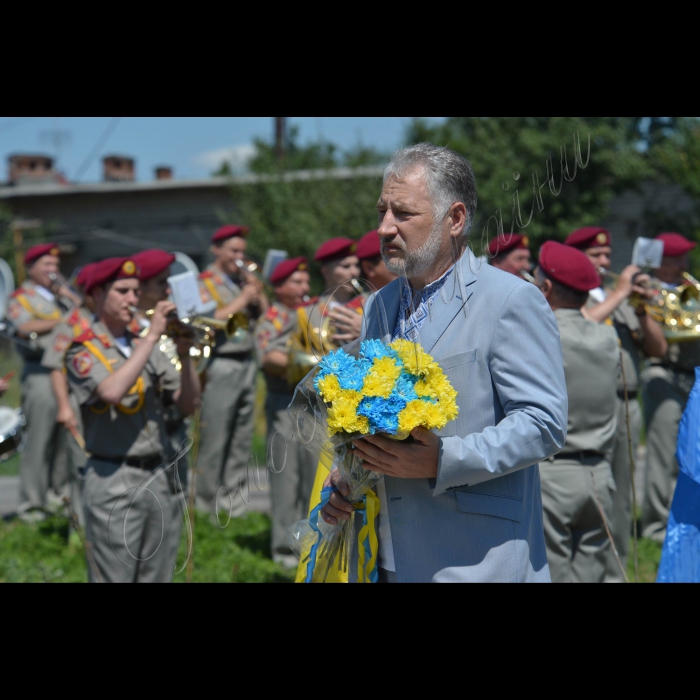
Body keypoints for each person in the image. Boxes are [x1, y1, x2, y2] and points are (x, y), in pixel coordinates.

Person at [321, 143, 568, 583]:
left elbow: (543, 423)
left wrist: (444, 460)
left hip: (477, 558)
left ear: (454, 219)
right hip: (388, 556)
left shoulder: (509, 299)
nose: (384, 228)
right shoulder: (379, 305)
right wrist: (350, 477)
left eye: (403, 214)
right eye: (382, 211)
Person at [64, 257, 201, 583]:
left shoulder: (143, 343)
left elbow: (188, 404)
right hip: (113, 476)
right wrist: (151, 338)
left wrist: (185, 354)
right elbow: (111, 391)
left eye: (136, 291)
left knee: (158, 575)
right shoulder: (82, 347)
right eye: (122, 291)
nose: (132, 299)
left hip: (157, 472)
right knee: (115, 576)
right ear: (96, 295)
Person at [564, 226, 667, 581]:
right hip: (588, 410)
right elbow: (581, 327)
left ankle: (617, 571)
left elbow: (659, 350)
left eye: (607, 256)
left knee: (622, 495)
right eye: (597, 256)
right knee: (594, 494)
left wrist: (641, 309)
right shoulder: (575, 299)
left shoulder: (615, 297)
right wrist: (622, 292)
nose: (605, 261)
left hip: (626, 406)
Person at [534, 242, 620, 583]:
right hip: (600, 471)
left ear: (547, 287)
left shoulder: (545, 332)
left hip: (554, 472)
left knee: (551, 571)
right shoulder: (607, 335)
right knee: (591, 572)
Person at [6, 243, 81, 521]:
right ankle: (31, 504)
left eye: (55, 266)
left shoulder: (61, 298)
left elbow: (83, 315)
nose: (53, 272)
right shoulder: (21, 298)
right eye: (46, 266)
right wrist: (63, 320)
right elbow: (23, 327)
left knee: (64, 441)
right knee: (39, 440)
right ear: (32, 268)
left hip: (67, 372)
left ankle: (58, 499)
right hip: (39, 373)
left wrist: (69, 298)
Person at [196, 225, 267, 516]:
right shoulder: (203, 281)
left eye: (242, 251)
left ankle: (234, 504)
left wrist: (256, 290)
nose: (240, 257)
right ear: (217, 250)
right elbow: (207, 318)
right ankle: (204, 504)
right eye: (233, 251)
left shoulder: (241, 282)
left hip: (246, 360)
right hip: (220, 361)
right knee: (216, 436)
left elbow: (265, 312)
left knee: (241, 436)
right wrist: (242, 298)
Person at [254, 257, 315, 568]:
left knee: (312, 477)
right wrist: (312, 362)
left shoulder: (310, 313)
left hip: (313, 408)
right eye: (296, 282)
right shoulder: (273, 319)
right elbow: (268, 357)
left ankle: (310, 542)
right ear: (278, 287)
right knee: (286, 479)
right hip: (284, 407)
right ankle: (282, 548)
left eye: (306, 282)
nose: (305, 288)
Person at [131, 249, 189, 567]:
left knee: (174, 506)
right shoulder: (129, 329)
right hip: (139, 433)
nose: (167, 289)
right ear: (140, 288)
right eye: (160, 283)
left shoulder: (171, 323)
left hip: (174, 424)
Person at [642, 232, 700, 542]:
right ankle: (654, 526)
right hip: (661, 373)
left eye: (684, 257)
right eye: (676, 258)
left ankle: (689, 516)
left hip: (693, 375)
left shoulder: (691, 288)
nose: (683, 264)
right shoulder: (646, 290)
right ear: (661, 263)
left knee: (694, 450)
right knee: (663, 452)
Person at [41, 262, 98, 525]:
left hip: (104, 404)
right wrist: (64, 407)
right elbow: (55, 366)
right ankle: (81, 529)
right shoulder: (71, 322)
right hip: (78, 402)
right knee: (81, 468)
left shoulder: (108, 320)